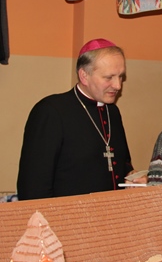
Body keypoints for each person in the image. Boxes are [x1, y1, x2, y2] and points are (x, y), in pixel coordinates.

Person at [17, 38, 145, 200]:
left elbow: (121, 162)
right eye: (109, 77)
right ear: (84, 76)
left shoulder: (112, 111)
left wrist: (133, 177)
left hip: (111, 211)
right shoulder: (51, 111)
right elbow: (33, 186)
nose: (118, 85)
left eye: (120, 77)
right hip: (68, 214)